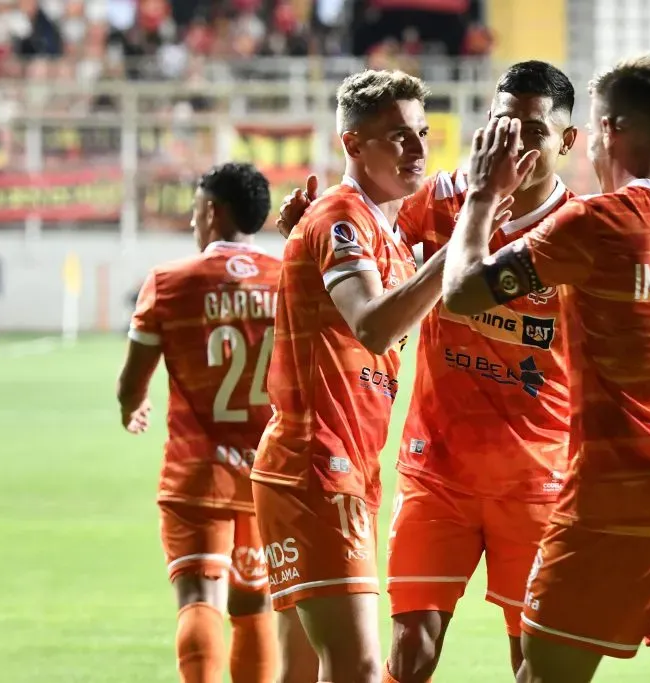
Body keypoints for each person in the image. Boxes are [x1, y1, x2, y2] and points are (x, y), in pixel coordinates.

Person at [441, 56, 650, 683]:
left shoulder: (596, 224)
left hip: (616, 506)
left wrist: (481, 194)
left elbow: (462, 293)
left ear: (605, 130)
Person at [274, 60, 579, 683]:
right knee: (407, 650)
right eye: (502, 124)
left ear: (568, 141)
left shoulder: (582, 228)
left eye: (533, 130)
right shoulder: (438, 199)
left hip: (537, 476)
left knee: (537, 660)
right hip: (435, 469)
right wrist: (308, 227)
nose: (515, 142)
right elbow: (369, 234)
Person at [252, 69, 485, 683]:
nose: (416, 149)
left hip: (337, 465)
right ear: (353, 144)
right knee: (356, 669)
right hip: (316, 465)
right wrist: (456, 248)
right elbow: (374, 326)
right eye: (397, 137)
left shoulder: (382, 227)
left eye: (421, 134)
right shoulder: (343, 217)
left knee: (303, 672)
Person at [116, 162, 288, 683]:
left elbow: (131, 382)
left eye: (194, 211)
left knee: (198, 595)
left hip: (195, 473)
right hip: (267, 474)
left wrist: (131, 405)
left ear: (211, 211)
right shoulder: (288, 282)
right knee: (253, 603)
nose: (193, 223)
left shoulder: (170, 283)